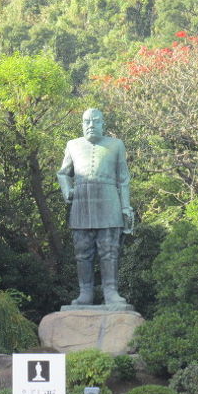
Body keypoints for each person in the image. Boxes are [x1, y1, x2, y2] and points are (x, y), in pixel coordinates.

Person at [57, 108, 133, 307]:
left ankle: (111, 291)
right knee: (82, 251)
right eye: (86, 121)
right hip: (81, 203)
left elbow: (123, 179)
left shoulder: (116, 145)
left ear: (102, 124)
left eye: (95, 121)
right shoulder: (72, 145)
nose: (91, 125)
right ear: (82, 124)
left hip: (109, 202)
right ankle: (85, 292)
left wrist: (126, 207)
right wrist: (68, 191)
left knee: (109, 250)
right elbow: (63, 173)